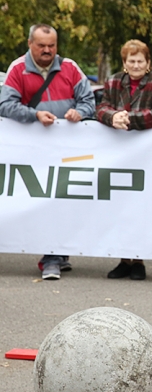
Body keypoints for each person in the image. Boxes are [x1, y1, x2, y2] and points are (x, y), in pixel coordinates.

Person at [0, 23, 95, 280]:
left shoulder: (70, 68)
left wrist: (81, 112)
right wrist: (34, 115)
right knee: (43, 199)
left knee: (64, 200)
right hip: (33, 151)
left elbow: (89, 101)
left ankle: (58, 252)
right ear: (29, 44)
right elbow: (5, 105)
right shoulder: (17, 69)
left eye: (51, 45)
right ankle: (50, 257)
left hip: (68, 150)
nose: (47, 50)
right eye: (41, 45)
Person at [95, 39, 152, 281]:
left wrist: (127, 119)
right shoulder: (113, 81)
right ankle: (123, 259)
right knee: (119, 206)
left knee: (143, 205)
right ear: (125, 63)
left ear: (148, 63)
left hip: (148, 155)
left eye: (140, 61)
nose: (136, 64)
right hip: (117, 153)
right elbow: (101, 108)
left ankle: (139, 260)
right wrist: (112, 117)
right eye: (131, 61)